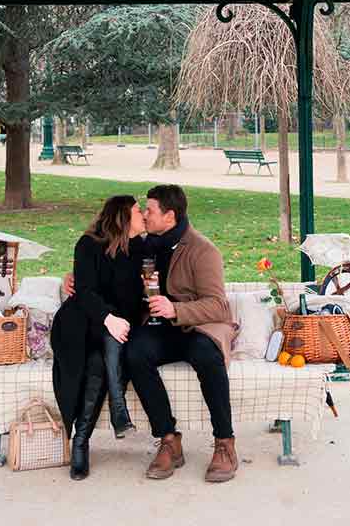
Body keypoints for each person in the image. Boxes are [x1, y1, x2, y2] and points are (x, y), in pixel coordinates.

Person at [125, 183, 239, 484]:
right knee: (134, 352)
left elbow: (217, 305)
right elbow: (104, 255)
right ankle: (168, 439)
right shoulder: (146, 244)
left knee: (207, 355)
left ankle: (225, 444)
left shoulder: (203, 250)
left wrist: (176, 309)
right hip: (160, 330)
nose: (144, 215)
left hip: (197, 326)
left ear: (170, 216)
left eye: (149, 210)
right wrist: (73, 277)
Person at [51, 194, 146, 481]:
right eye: (138, 211)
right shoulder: (88, 245)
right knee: (107, 340)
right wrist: (109, 318)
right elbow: (86, 292)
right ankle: (118, 411)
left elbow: (134, 299)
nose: (143, 215)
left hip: (114, 329)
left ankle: (80, 442)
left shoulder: (141, 247)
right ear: (123, 217)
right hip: (79, 323)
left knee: (99, 362)